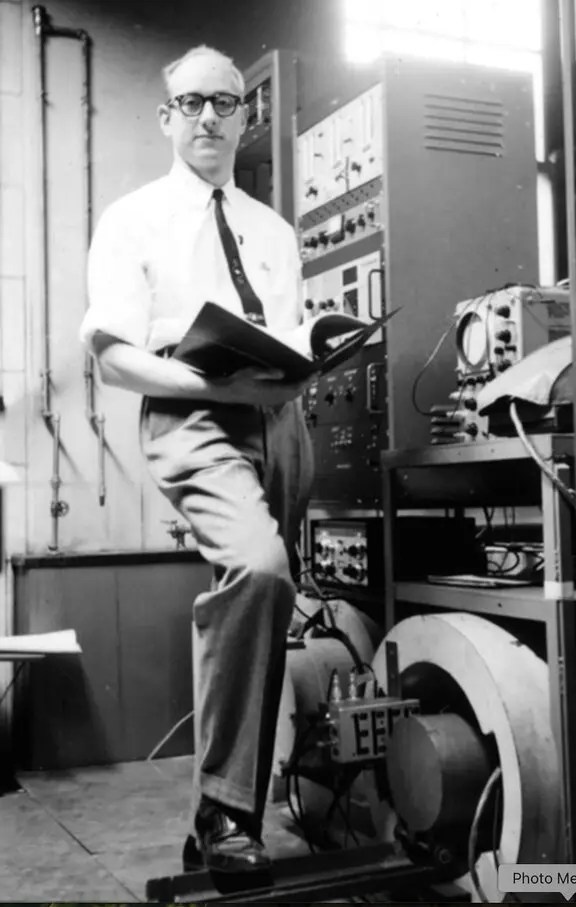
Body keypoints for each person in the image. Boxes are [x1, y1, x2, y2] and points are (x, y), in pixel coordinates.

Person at [80, 45, 314, 875]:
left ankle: (220, 825)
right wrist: (196, 377)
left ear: (245, 113)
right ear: (166, 116)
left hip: (280, 425)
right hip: (190, 413)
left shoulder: (276, 232)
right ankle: (223, 807)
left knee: (271, 600)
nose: (208, 116)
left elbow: (290, 343)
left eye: (224, 101)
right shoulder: (132, 218)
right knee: (259, 570)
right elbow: (111, 354)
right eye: (191, 103)